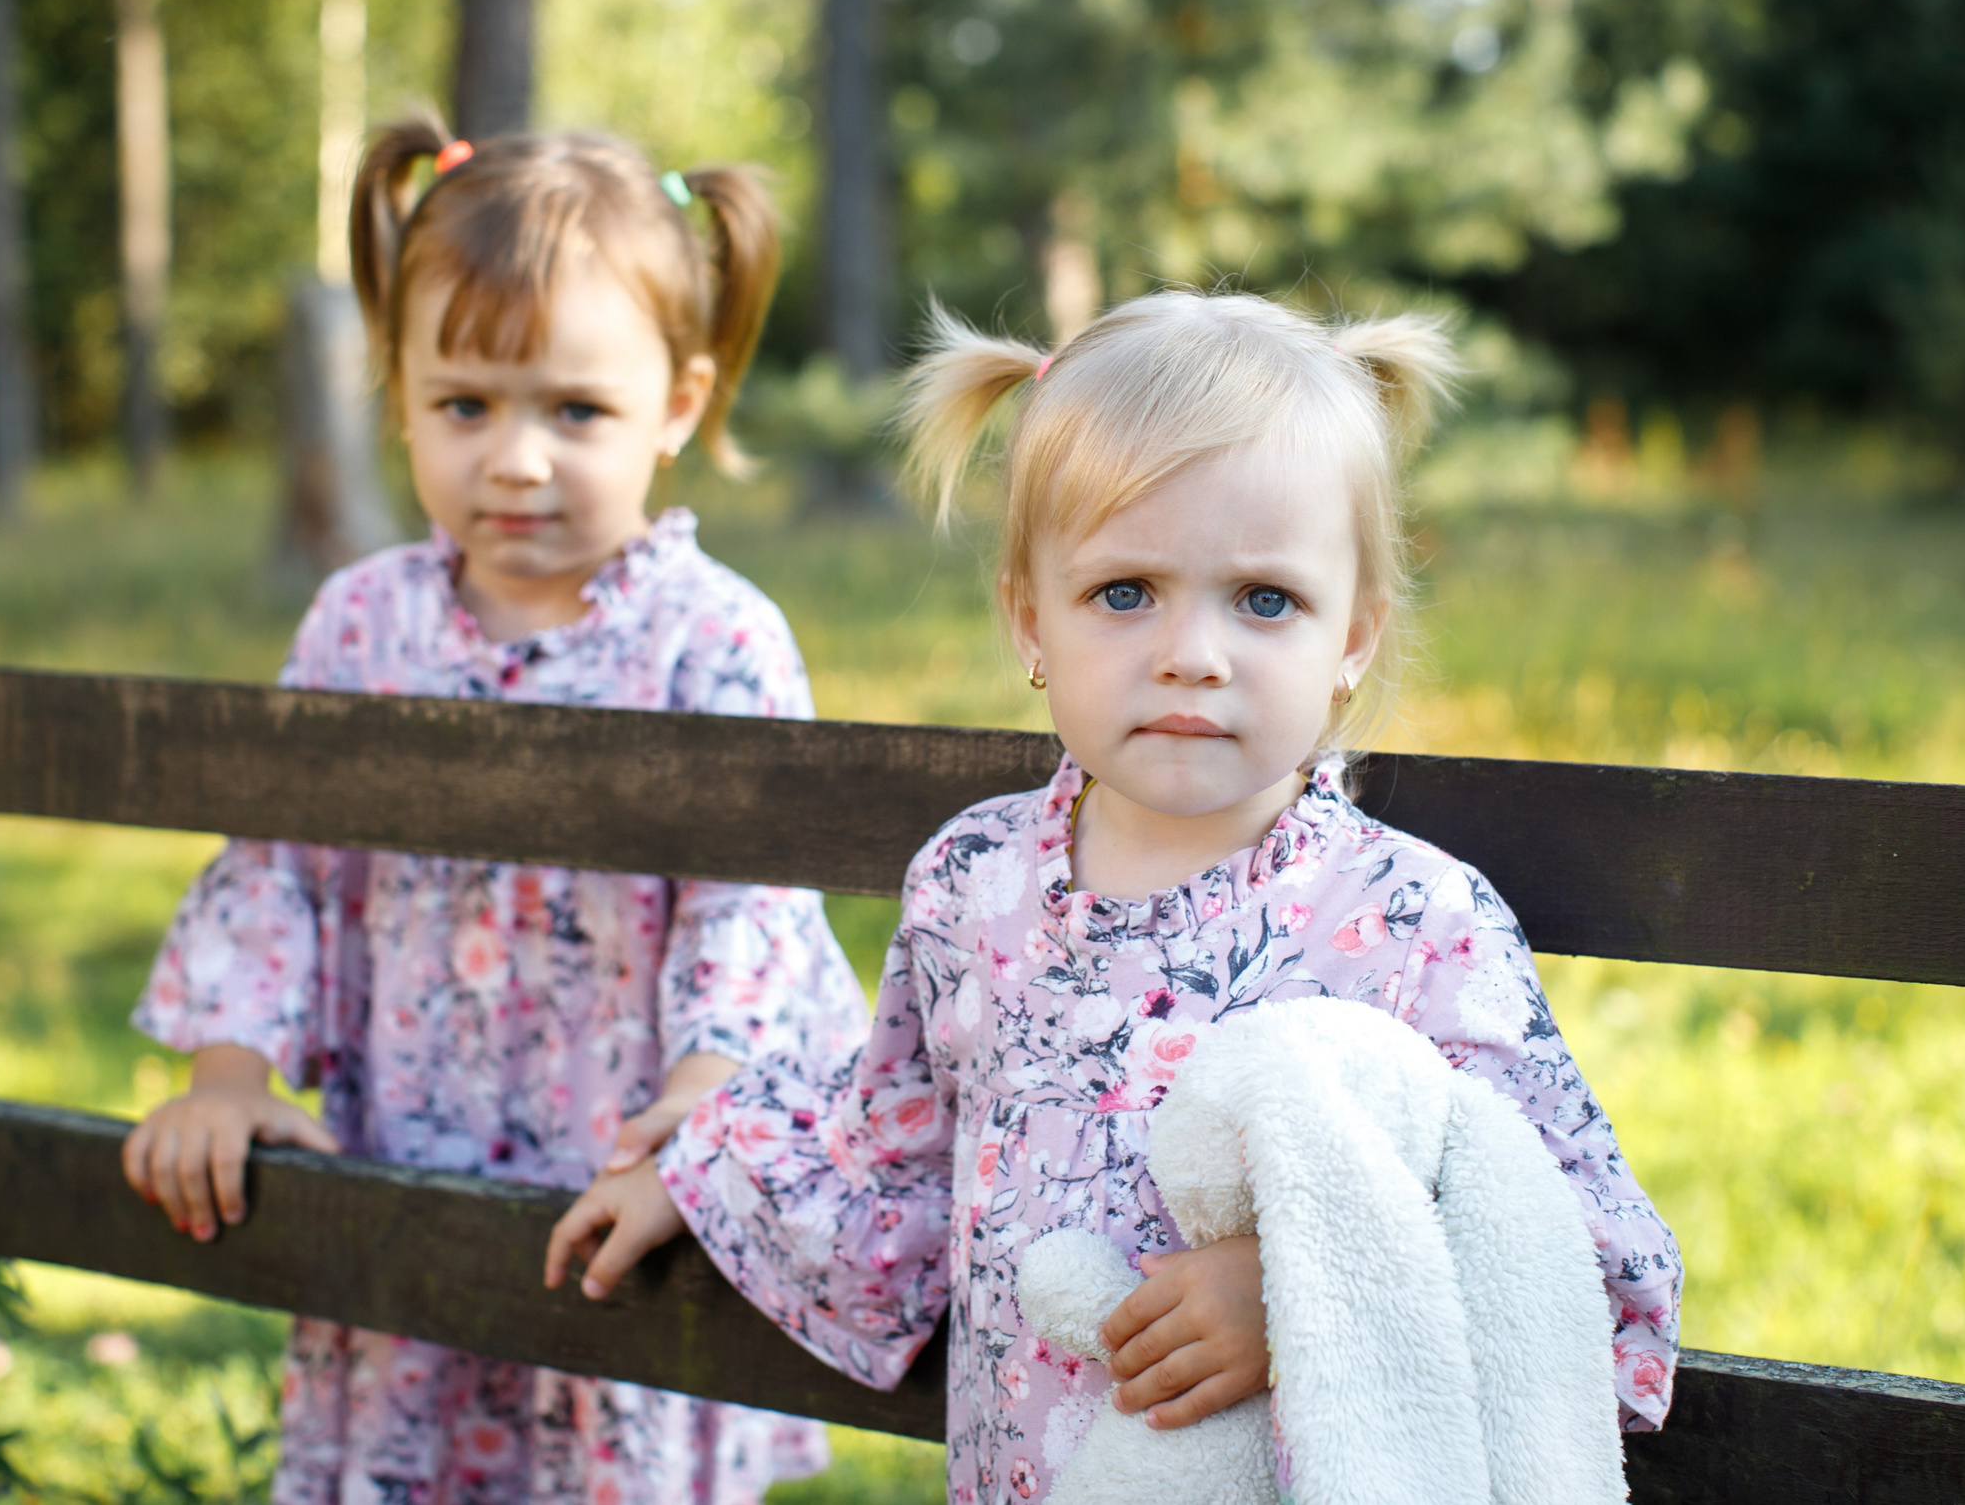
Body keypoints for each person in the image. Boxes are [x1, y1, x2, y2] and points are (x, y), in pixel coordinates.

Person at [545, 290, 1683, 1502]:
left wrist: (1307, 1283)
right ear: (1030, 618)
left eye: (1264, 600)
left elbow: (1585, 1262)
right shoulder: (973, 891)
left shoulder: (1412, 923)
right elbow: (888, 1164)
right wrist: (704, 1169)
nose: (1193, 651)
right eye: (1125, 592)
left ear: (1353, 636)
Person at [122, 120, 864, 1505]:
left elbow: (752, 901)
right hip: (407, 1153)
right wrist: (231, 1071)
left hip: (624, 1178)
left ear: (679, 404)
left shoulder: (713, 639)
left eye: (574, 411)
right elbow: (277, 857)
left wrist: (704, 1109)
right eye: (466, 404)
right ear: (397, 393)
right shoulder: (363, 621)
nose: (517, 461)